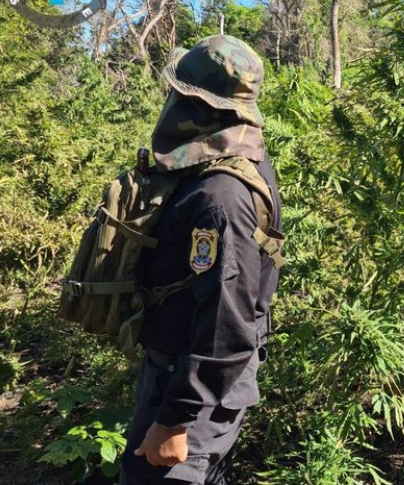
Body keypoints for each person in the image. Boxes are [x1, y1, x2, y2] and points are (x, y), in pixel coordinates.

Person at [119, 35, 282, 485]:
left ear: (198, 104)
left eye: (179, 92)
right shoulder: (230, 159)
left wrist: (175, 420)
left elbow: (226, 326)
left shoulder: (221, 195)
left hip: (193, 392)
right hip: (183, 378)